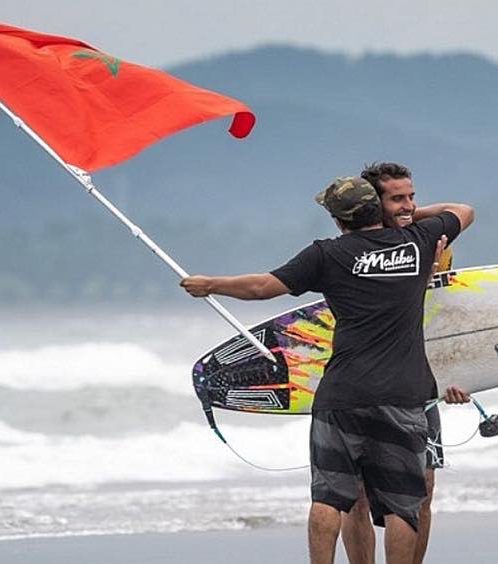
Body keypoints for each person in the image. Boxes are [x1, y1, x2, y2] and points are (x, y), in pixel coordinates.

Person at [181, 176, 474, 564]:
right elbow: (463, 211)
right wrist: (410, 215)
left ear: (338, 220)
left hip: (341, 395)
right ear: (378, 208)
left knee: (329, 497)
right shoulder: (418, 240)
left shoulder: (326, 255)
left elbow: (262, 287)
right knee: (402, 506)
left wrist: (211, 284)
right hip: (403, 395)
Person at [340, 162, 469, 564]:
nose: (409, 204)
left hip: (419, 381)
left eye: (411, 196)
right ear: (371, 203)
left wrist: (461, 375)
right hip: (363, 384)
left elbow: (444, 315)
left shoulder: (431, 239)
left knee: (423, 489)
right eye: (397, 198)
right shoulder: (350, 250)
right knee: (356, 495)